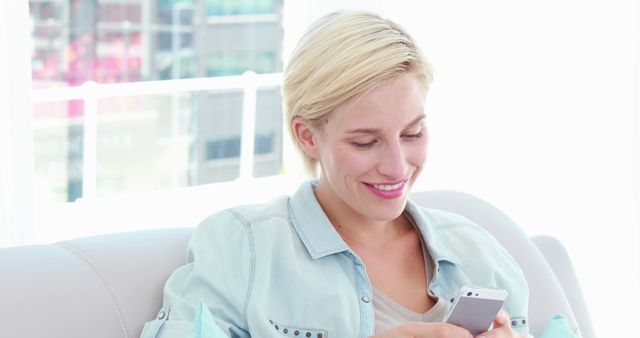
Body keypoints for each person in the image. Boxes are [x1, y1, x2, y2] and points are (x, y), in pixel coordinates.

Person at [141, 10, 530, 338]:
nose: (397, 167)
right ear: (308, 136)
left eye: (412, 133)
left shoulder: (479, 253)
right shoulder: (244, 248)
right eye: (365, 142)